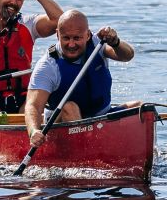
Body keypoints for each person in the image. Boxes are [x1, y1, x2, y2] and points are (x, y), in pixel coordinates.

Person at [25, 8, 136, 147]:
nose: (71, 44)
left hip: (99, 117)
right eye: (66, 38)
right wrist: (34, 131)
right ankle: (88, 153)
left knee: (140, 108)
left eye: (77, 38)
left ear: (88, 35)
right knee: (69, 107)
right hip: (61, 125)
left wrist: (115, 42)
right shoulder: (47, 66)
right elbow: (33, 105)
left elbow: (127, 56)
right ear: (57, 35)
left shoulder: (97, 44)